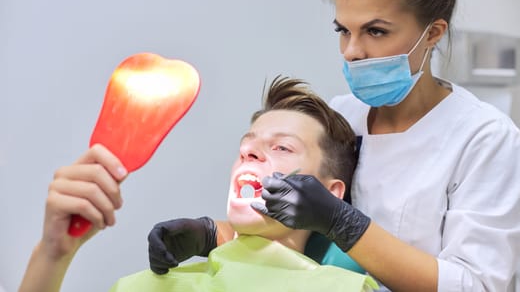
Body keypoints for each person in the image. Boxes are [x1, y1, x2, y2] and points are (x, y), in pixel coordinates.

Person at [146, 0, 520, 291]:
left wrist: (343, 223)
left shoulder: (484, 138)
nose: (352, 51)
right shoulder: (343, 113)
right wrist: (211, 235)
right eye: (343, 30)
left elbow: (476, 285)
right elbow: (290, 235)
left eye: (375, 31)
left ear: (433, 33)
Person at [18, 76, 377, 292]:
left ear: (331, 196)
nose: (250, 154)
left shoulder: (342, 288)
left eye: (281, 147)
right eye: (246, 147)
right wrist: (52, 254)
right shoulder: (146, 286)